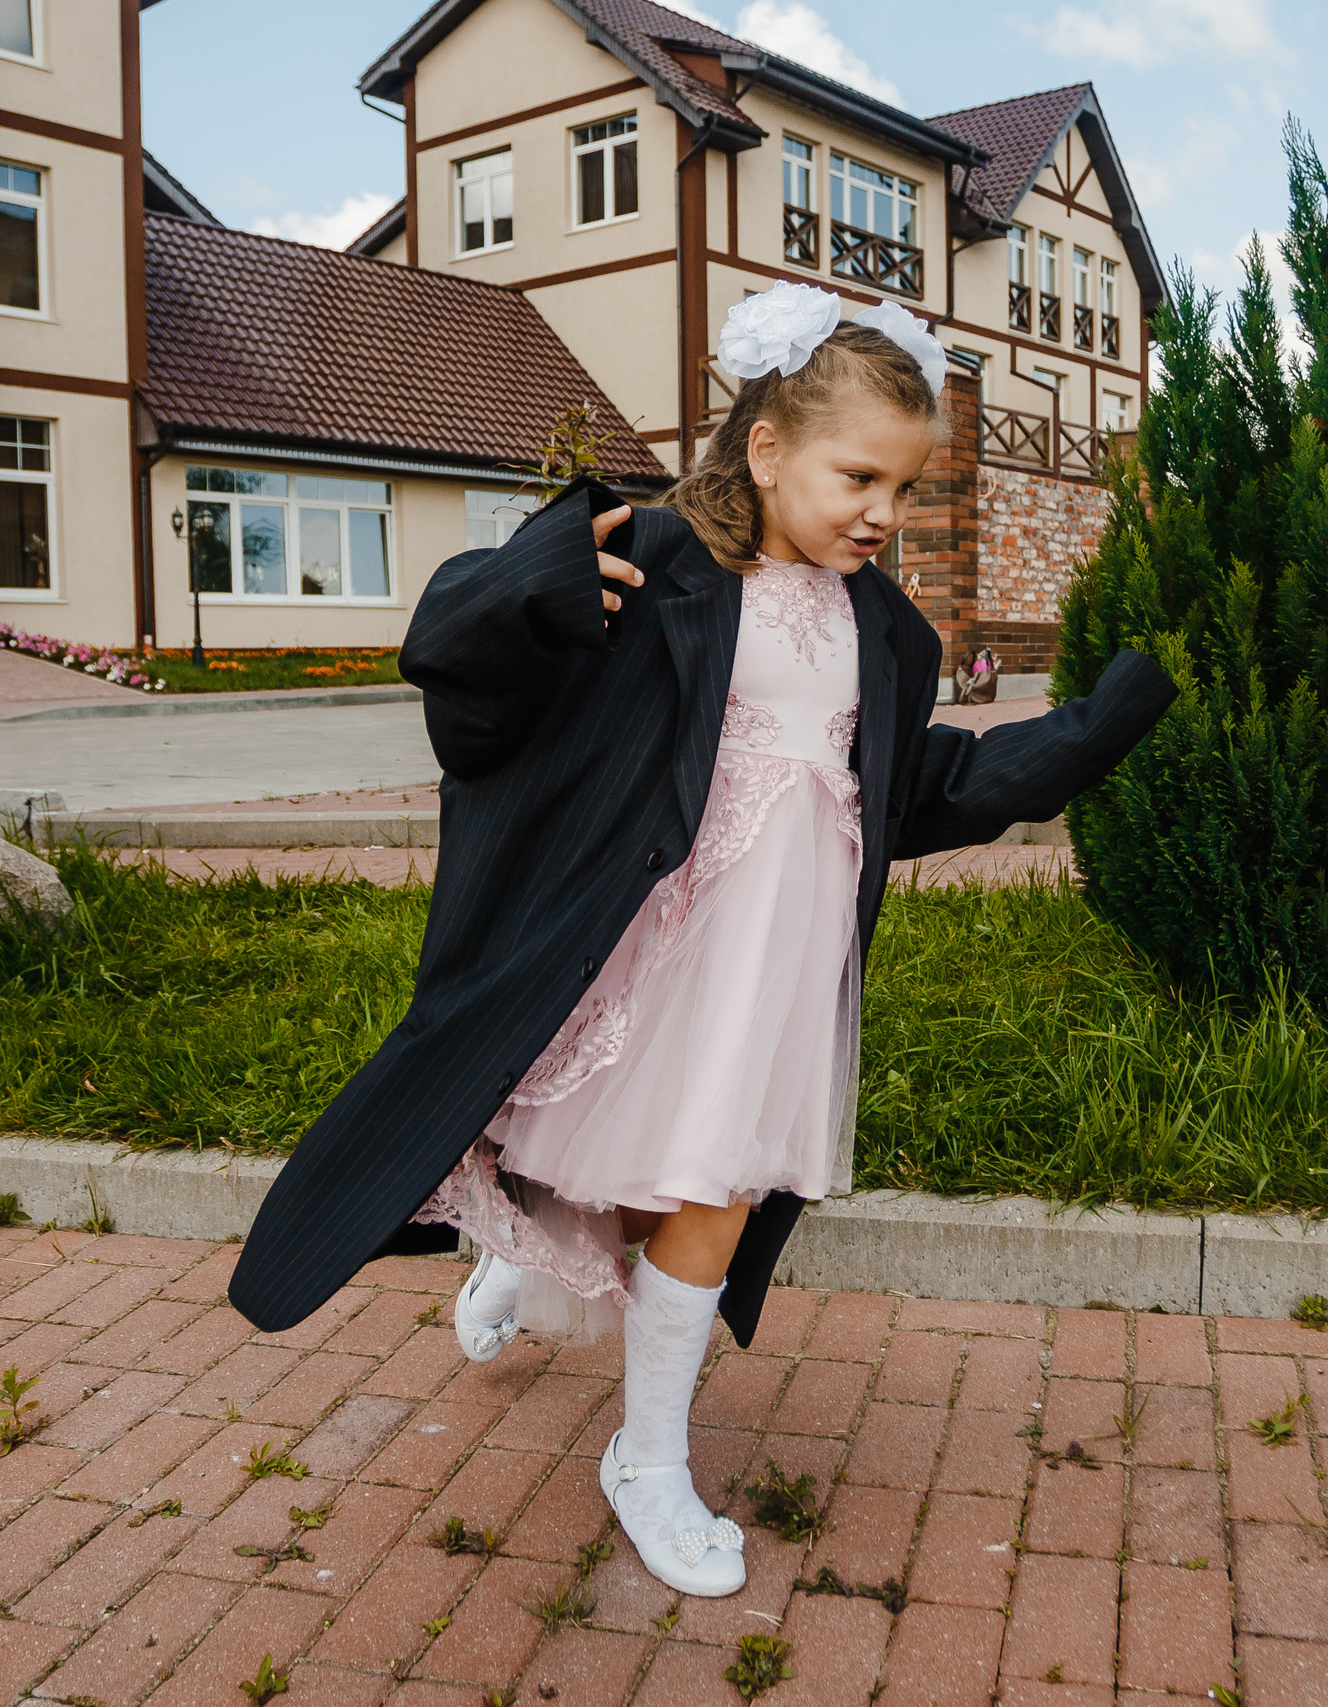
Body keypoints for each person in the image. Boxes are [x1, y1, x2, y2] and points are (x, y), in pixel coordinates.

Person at [228, 281, 1175, 1600]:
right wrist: (535, 583)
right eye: (859, 477)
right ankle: (517, 1256)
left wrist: (1084, 734)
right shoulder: (661, 560)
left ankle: (647, 1457)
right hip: (645, 936)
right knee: (593, 1134)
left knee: (712, 1174)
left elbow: (919, 790)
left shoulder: (885, 631)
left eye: (902, 490)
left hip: (777, 967)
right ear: (769, 445)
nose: (881, 516)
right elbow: (457, 660)